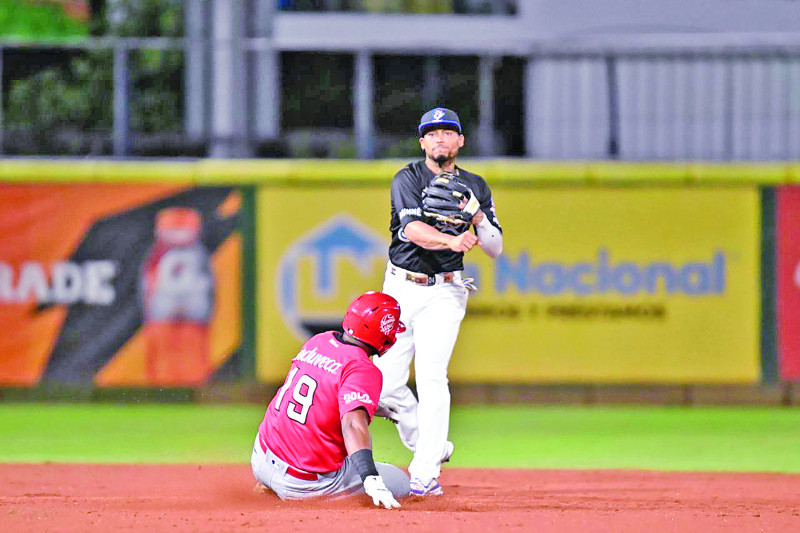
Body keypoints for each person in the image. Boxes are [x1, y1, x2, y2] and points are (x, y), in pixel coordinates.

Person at [373, 107, 504, 496]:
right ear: (422, 142)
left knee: (432, 376)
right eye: (432, 133)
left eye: (448, 132)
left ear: (461, 140)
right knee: (383, 388)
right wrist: (451, 239)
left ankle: (425, 472)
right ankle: (432, 443)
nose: (440, 138)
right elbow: (411, 229)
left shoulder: (476, 185)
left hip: (446, 290)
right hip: (400, 287)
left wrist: (477, 216)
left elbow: (495, 247)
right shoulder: (408, 179)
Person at [251, 291, 410, 509]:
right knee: (401, 482)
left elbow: (319, 388)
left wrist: (370, 404)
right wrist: (371, 478)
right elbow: (352, 424)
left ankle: (268, 484)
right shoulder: (363, 368)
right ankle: (293, 490)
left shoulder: (319, 340)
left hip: (260, 457)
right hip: (303, 483)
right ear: (383, 334)